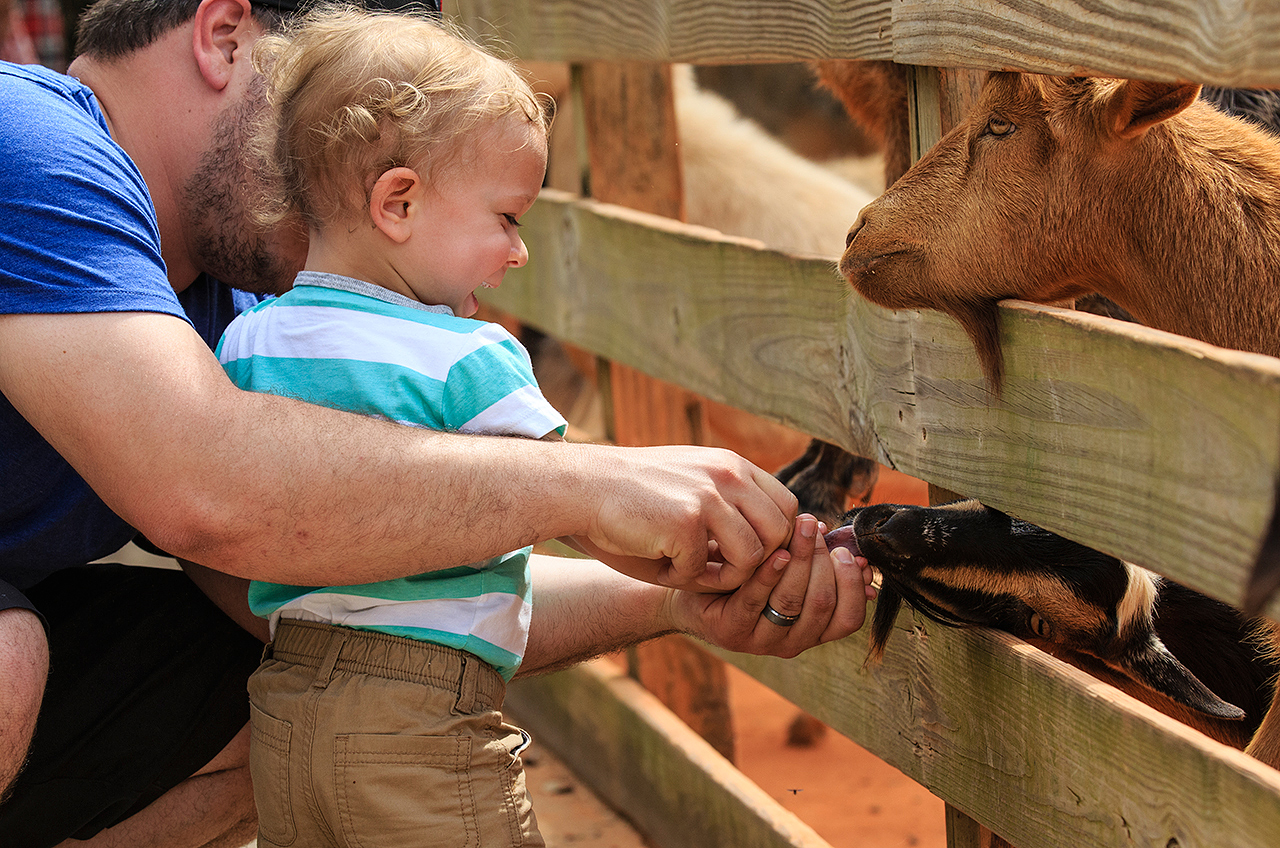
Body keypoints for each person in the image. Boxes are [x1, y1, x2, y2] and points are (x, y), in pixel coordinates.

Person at [0, 0, 872, 844]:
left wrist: (673, 601)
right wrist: (594, 482)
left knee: (270, 695)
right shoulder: (29, 139)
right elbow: (208, 487)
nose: (343, 159)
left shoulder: (233, 315)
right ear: (226, 34)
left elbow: (309, 595)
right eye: (326, 99)